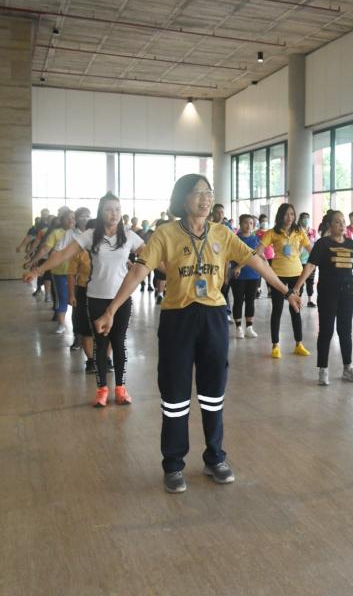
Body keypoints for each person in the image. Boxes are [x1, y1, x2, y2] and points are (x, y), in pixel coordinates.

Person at [94, 173, 301, 493]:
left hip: (214, 317)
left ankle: (215, 457)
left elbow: (256, 261)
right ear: (182, 198)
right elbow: (138, 271)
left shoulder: (222, 233)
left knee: (213, 393)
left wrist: (286, 291)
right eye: (197, 193)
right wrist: (111, 309)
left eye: (209, 193)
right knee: (175, 395)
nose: (205, 199)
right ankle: (173, 464)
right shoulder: (165, 234)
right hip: (178, 318)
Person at [25, 194, 145, 406]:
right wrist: (38, 270)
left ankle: (120, 388)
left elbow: (153, 256)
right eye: (109, 209)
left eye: (117, 209)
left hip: (122, 298)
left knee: (119, 342)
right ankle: (102, 389)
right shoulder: (90, 235)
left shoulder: (129, 236)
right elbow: (62, 254)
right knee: (101, 343)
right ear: (101, 212)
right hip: (96, 297)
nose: (114, 213)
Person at [296, 210, 353, 386]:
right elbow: (311, 265)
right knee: (326, 331)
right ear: (329, 225)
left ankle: (347, 367)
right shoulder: (322, 244)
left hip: (347, 293)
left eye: (343, 221)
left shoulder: (351, 244)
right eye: (338, 222)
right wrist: (297, 287)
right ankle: (323, 369)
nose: (342, 225)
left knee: (345, 331)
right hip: (327, 293)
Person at [258, 203, 312, 358]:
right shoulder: (272, 233)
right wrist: (264, 262)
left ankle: (299, 344)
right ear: (280, 216)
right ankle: (275, 345)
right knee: (277, 310)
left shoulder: (299, 231)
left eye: (292, 214)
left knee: (296, 309)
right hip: (278, 276)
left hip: (296, 275)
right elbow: (259, 251)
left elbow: (311, 250)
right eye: (286, 214)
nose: (290, 217)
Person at [32, 208, 76, 334]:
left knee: (76, 299)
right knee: (62, 298)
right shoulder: (56, 233)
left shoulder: (79, 233)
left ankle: (78, 328)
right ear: (62, 220)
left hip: (76, 273)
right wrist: (34, 261)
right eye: (68, 218)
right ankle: (61, 323)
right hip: (60, 272)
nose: (71, 220)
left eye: (73, 218)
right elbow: (45, 249)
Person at [68, 219, 97, 373]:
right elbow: (71, 274)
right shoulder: (79, 251)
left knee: (108, 329)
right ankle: (91, 361)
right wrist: (72, 295)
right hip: (84, 291)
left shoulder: (109, 249)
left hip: (105, 292)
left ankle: (106, 359)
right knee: (86, 329)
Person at [231, 215, 261, 339]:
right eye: (245, 222)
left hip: (253, 275)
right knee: (238, 300)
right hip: (238, 275)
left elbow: (256, 255)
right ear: (240, 224)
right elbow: (231, 255)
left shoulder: (256, 240)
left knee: (250, 301)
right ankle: (238, 327)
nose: (248, 225)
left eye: (251, 223)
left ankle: (249, 327)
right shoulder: (234, 239)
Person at [299, 212, 319, 307]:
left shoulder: (313, 232)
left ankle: (310, 300)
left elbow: (317, 243)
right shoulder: (297, 231)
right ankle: (298, 299)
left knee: (310, 281)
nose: (306, 219)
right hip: (299, 261)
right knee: (300, 281)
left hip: (311, 260)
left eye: (307, 217)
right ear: (300, 220)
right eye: (304, 218)